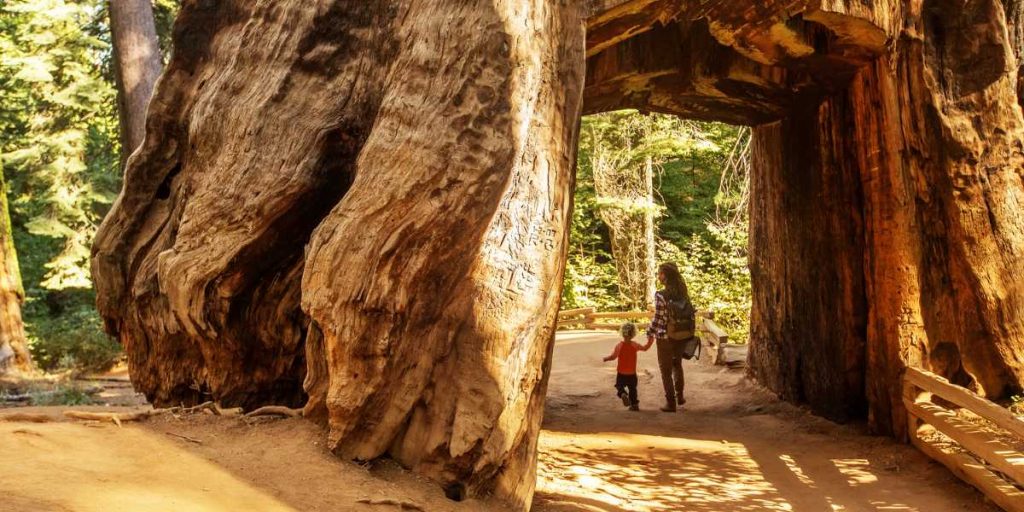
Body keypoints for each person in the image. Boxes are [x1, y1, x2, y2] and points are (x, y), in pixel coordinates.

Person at [647, 262, 694, 412]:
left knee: (665, 370)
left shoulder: (661, 295)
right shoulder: (683, 292)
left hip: (665, 336)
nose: (659, 276)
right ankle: (680, 396)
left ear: (665, 276)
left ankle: (670, 403)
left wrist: (650, 331)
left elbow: (659, 318)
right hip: (681, 334)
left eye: (660, 273)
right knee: (677, 365)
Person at [602, 322, 654, 411]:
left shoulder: (619, 346)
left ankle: (622, 393)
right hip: (632, 373)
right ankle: (634, 405)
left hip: (621, 372)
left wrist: (606, 358)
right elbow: (645, 348)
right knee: (633, 389)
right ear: (633, 334)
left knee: (619, 385)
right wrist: (650, 340)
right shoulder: (634, 345)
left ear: (622, 333)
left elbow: (613, 357)